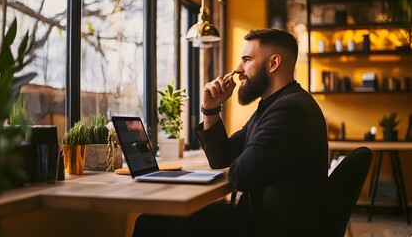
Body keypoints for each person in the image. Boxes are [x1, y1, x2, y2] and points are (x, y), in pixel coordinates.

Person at [133, 28, 328, 236]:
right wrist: (210, 109)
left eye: (246, 60)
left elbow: (241, 175)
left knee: (151, 222)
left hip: (269, 227)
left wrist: (240, 164)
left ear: (273, 63)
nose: (237, 69)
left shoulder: (289, 110)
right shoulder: (275, 105)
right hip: (264, 219)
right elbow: (222, 157)